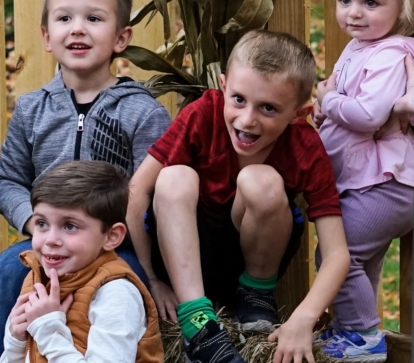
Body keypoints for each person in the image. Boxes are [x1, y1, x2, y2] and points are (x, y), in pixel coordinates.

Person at [0, 0, 171, 363]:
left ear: (121, 38)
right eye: (64, 18)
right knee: (4, 273)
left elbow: (154, 198)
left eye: (93, 19)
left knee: (120, 288)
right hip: (49, 244)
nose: (77, 29)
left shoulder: (142, 112)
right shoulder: (31, 109)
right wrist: (39, 226)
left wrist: (156, 276)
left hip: (116, 247)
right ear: (46, 37)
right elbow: (8, 179)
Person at [126, 30, 349, 363]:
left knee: (261, 181)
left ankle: (256, 296)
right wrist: (154, 280)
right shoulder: (203, 115)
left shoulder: (305, 148)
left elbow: (337, 254)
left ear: (298, 113)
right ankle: (198, 325)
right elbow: (137, 191)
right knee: (174, 176)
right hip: (182, 257)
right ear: (223, 85)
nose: (247, 120)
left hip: (246, 260)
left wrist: (303, 319)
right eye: (239, 99)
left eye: (269, 108)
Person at [310, 0, 414, 362]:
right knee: (361, 262)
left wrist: (327, 100)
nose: (354, 13)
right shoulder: (360, 46)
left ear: (402, 8)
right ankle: (353, 330)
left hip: (388, 185)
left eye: (371, 3)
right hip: (366, 181)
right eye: (345, 0)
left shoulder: (390, 54)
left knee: (341, 251)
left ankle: (363, 338)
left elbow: (369, 115)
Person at [0, 161, 163, 363]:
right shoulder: (37, 281)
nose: (51, 239)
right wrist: (15, 342)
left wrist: (48, 331)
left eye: (69, 226)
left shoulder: (117, 295)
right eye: (41, 223)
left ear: (111, 236)